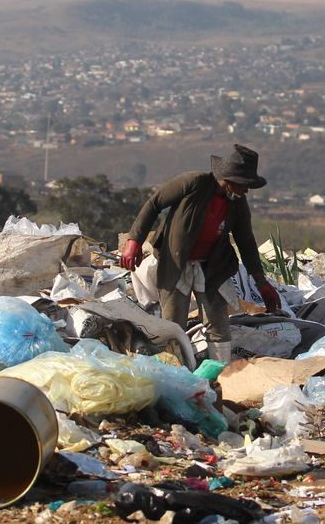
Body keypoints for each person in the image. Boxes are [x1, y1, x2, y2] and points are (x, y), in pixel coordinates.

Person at [120, 144, 281, 364]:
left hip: (212, 267)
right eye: (245, 185)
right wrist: (134, 241)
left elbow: (246, 241)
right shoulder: (194, 183)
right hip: (176, 263)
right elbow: (154, 203)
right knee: (173, 325)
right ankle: (177, 376)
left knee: (218, 326)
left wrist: (261, 282)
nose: (246, 191)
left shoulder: (237, 203)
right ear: (231, 179)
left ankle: (218, 376)